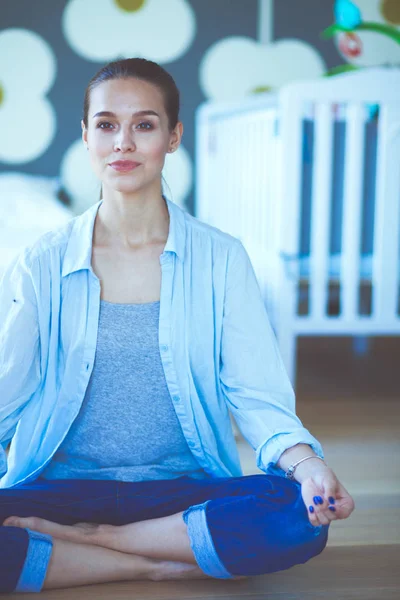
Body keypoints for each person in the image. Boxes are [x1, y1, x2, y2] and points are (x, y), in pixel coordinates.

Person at [0, 57, 355, 593]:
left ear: (172, 137)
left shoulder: (223, 258)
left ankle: (90, 543)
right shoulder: (39, 263)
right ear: (86, 135)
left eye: (144, 125)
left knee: (297, 516)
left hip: (181, 489)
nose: (123, 142)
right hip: (62, 487)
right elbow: (8, 392)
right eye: (106, 125)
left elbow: (257, 397)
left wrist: (307, 467)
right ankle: (150, 559)